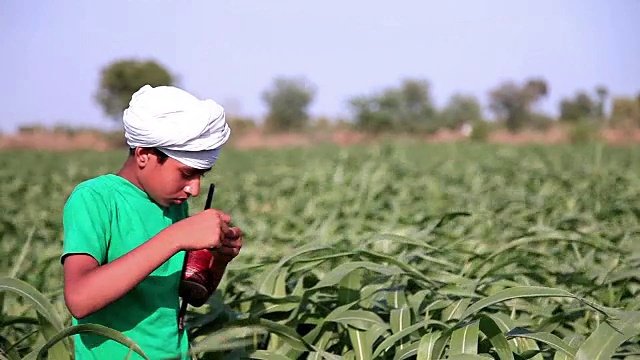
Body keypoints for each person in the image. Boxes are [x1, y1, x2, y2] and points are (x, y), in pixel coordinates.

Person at [60, 84, 243, 360]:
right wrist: (176, 237)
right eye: (186, 174)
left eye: (201, 176)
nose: (194, 189)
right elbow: (80, 299)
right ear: (144, 154)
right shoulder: (96, 199)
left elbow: (190, 295)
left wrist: (217, 260)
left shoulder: (172, 204)